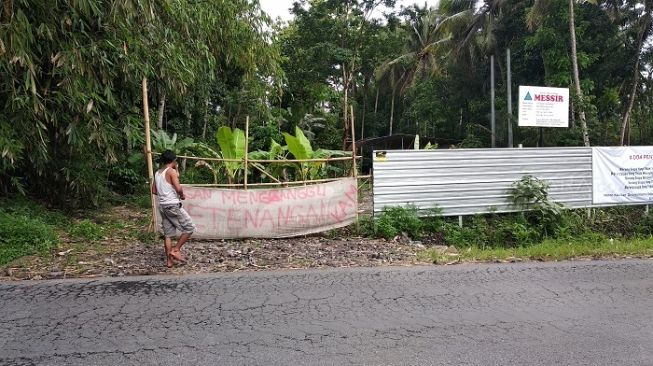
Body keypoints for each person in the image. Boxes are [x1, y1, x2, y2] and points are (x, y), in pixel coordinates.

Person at [152, 150, 195, 268]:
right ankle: (175, 250)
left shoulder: (157, 173)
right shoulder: (171, 172)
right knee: (189, 228)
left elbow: (154, 191)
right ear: (174, 160)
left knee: (168, 235)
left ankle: (169, 262)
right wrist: (181, 195)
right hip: (173, 205)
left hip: (163, 206)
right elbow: (178, 187)